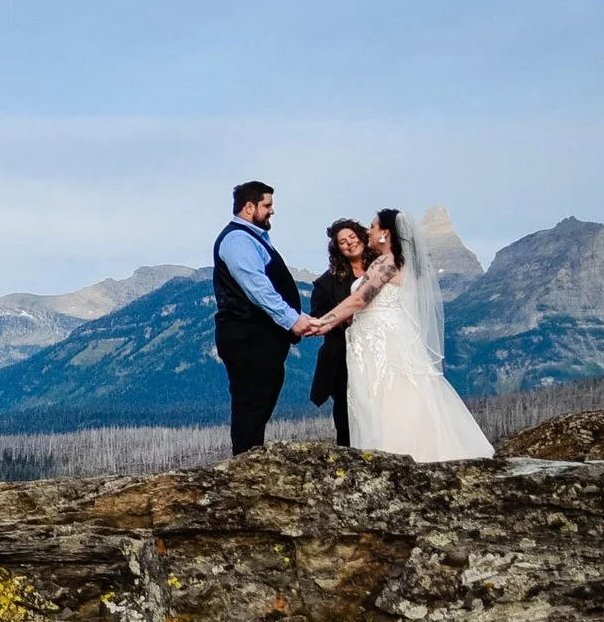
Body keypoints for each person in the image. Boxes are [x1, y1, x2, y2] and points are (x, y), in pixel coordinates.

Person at [310, 208, 494, 462]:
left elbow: (359, 300)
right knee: (381, 399)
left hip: (383, 342)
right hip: (372, 339)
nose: (369, 231)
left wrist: (322, 323)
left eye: (373, 227)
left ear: (385, 233)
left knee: (390, 399)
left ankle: (400, 454)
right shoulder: (389, 262)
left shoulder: (388, 263)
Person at [212, 180, 316, 453]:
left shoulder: (252, 238)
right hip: (248, 338)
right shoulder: (237, 240)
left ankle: (249, 462)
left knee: (259, 402)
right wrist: (292, 319)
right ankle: (245, 467)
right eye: (267, 205)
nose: (272, 211)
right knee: (251, 405)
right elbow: (257, 287)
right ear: (249, 207)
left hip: (258, 339)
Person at [310, 219, 368, 447]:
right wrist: (343, 320)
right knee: (346, 410)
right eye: (342, 242)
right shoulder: (327, 282)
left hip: (377, 349)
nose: (349, 244)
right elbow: (318, 314)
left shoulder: (380, 267)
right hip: (342, 356)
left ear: (362, 236)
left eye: (352, 237)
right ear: (337, 249)